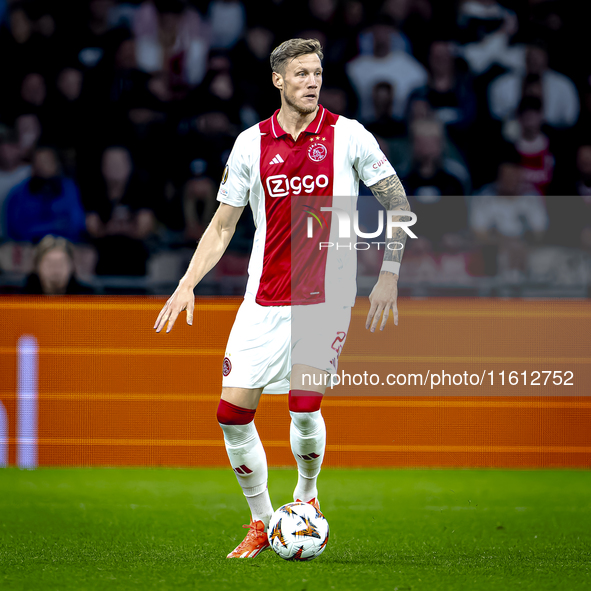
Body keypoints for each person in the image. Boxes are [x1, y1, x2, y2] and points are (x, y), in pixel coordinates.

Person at [154, 38, 412, 559]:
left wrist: (389, 272)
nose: (311, 82)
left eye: (317, 72)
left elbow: (396, 199)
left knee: (302, 404)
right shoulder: (250, 144)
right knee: (230, 415)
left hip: (326, 298)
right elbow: (223, 223)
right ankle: (261, 520)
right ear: (278, 80)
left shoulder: (348, 136)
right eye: (300, 74)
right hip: (263, 299)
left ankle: (307, 497)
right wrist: (187, 282)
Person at [22, 234, 93, 295]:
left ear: (72, 266)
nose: (56, 269)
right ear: (37, 266)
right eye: (50, 264)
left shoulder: (88, 301)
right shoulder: (20, 302)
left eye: (61, 264)